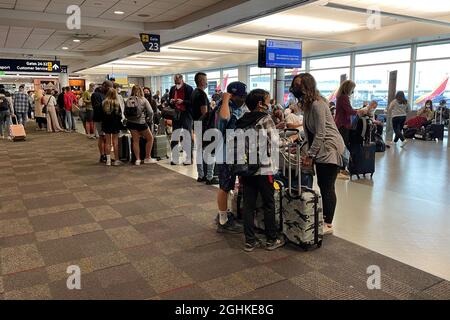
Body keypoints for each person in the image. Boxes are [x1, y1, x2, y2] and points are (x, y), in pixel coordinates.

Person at [290, 73, 346, 235]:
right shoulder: (308, 105)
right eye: (294, 85)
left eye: (298, 85)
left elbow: (321, 133)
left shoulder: (317, 104)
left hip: (330, 150)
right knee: (323, 185)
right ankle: (325, 219)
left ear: (307, 86)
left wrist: (310, 155)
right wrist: (302, 146)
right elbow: (310, 132)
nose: (295, 88)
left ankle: (328, 224)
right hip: (322, 149)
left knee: (327, 186)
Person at [238, 89, 285, 252]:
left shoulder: (242, 119)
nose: (270, 103)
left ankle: (250, 240)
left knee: (249, 204)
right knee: (268, 203)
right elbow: (276, 142)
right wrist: (290, 139)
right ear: (260, 104)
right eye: (268, 100)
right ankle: (272, 238)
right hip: (264, 169)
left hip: (246, 168)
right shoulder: (265, 119)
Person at [214, 81, 249, 233]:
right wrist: (226, 99)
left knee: (232, 184)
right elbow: (223, 119)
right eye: (240, 96)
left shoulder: (240, 107)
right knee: (225, 186)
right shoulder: (224, 107)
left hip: (237, 152)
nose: (243, 99)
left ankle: (227, 213)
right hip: (225, 153)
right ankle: (223, 219)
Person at [191, 72, 218, 185]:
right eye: (206, 80)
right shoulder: (202, 95)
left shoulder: (193, 93)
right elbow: (205, 113)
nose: (207, 82)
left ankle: (201, 175)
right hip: (204, 126)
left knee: (200, 151)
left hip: (196, 124)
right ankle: (209, 176)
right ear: (202, 81)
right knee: (210, 150)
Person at [125, 85, 157, 165]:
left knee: (135, 141)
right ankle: (147, 157)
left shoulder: (128, 99)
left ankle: (138, 160)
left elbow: (125, 112)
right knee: (150, 138)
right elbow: (151, 112)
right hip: (141, 122)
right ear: (141, 91)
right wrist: (150, 119)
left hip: (131, 123)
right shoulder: (143, 99)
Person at [169, 74, 194, 165]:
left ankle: (189, 158)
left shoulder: (188, 88)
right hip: (176, 114)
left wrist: (183, 101)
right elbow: (170, 102)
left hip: (186, 114)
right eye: (175, 81)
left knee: (187, 136)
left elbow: (192, 102)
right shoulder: (172, 89)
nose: (176, 82)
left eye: (178, 81)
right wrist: (171, 101)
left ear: (181, 79)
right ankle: (175, 158)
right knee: (175, 136)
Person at [335, 80, 365, 148]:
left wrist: (357, 111)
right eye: (352, 89)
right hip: (343, 124)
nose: (353, 92)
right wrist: (359, 111)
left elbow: (347, 109)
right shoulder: (344, 97)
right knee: (343, 144)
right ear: (348, 88)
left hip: (340, 123)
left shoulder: (340, 97)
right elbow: (349, 111)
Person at [102, 88, 123, 166]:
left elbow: (102, 114)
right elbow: (120, 114)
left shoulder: (104, 102)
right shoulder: (117, 103)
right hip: (115, 124)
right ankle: (116, 160)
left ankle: (108, 160)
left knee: (108, 142)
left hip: (106, 123)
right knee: (115, 142)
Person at [92, 81, 113, 163]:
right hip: (99, 118)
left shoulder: (106, 94)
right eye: (108, 88)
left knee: (106, 138)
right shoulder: (95, 95)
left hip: (107, 118)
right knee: (102, 137)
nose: (109, 90)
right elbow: (96, 107)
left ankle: (106, 155)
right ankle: (102, 155)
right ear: (104, 86)